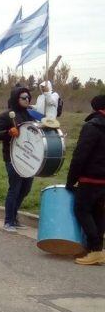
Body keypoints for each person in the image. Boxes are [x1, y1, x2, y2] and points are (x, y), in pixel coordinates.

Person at [66, 95, 105, 265]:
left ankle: (95, 249)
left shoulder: (92, 126)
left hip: (90, 178)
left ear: (95, 108)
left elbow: (80, 155)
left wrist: (71, 180)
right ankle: (96, 250)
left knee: (82, 210)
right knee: (99, 213)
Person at [0, 86, 35, 233]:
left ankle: (14, 217)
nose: (27, 100)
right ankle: (8, 221)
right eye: (23, 97)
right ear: (17, 99)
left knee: (25, 189)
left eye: (28, 97)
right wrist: (8, 132)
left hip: (28, 159)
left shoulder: (30, 116)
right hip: (12, 158)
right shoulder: (7, 115)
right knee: (15, 189)